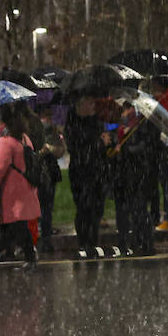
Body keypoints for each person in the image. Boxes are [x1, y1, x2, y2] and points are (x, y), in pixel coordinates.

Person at [0, 106, 40, 269]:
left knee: (14, 227)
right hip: (23, 190)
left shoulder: (5, 142)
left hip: (11, 194)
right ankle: (1, 256)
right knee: (12, 228)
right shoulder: (22, 137)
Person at [110, 103, 158, 256]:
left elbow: (144, 148)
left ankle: (144, 242)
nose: (124, 113)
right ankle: (128, 242)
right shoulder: (124, 126)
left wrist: (123, 149)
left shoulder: (142, 125)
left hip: (137, 176)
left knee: (139, 210)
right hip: (123, 177)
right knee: (124, 212)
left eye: (126, 109)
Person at [64, 96, 110, 257]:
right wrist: (98, 143)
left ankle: (93, 242)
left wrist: (106, 143)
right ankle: (84, 242)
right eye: (89, 102)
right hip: (81, 171)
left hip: (98, 171)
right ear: (80, 104)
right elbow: (77, 147)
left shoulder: (96, 120)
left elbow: (100, 146)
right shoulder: (73, 122)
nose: (93, 105)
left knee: (97, 208)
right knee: (84, 207)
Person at [150, 78, 168, 232]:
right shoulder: (154, 102)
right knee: (154, 182)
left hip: (166, 147)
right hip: (154, 147)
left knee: (166, 182)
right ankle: (154, 216)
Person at [35, 108, 66, 248]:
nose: (49, 118)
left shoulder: (53, 132)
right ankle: (43, 237)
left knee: (45, 208)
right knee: (44, 207)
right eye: (47, 115)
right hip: (41, 173)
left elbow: (60, 151)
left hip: (47, 174)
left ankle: (44, 237)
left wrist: (49, 149)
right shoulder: (36, 131)